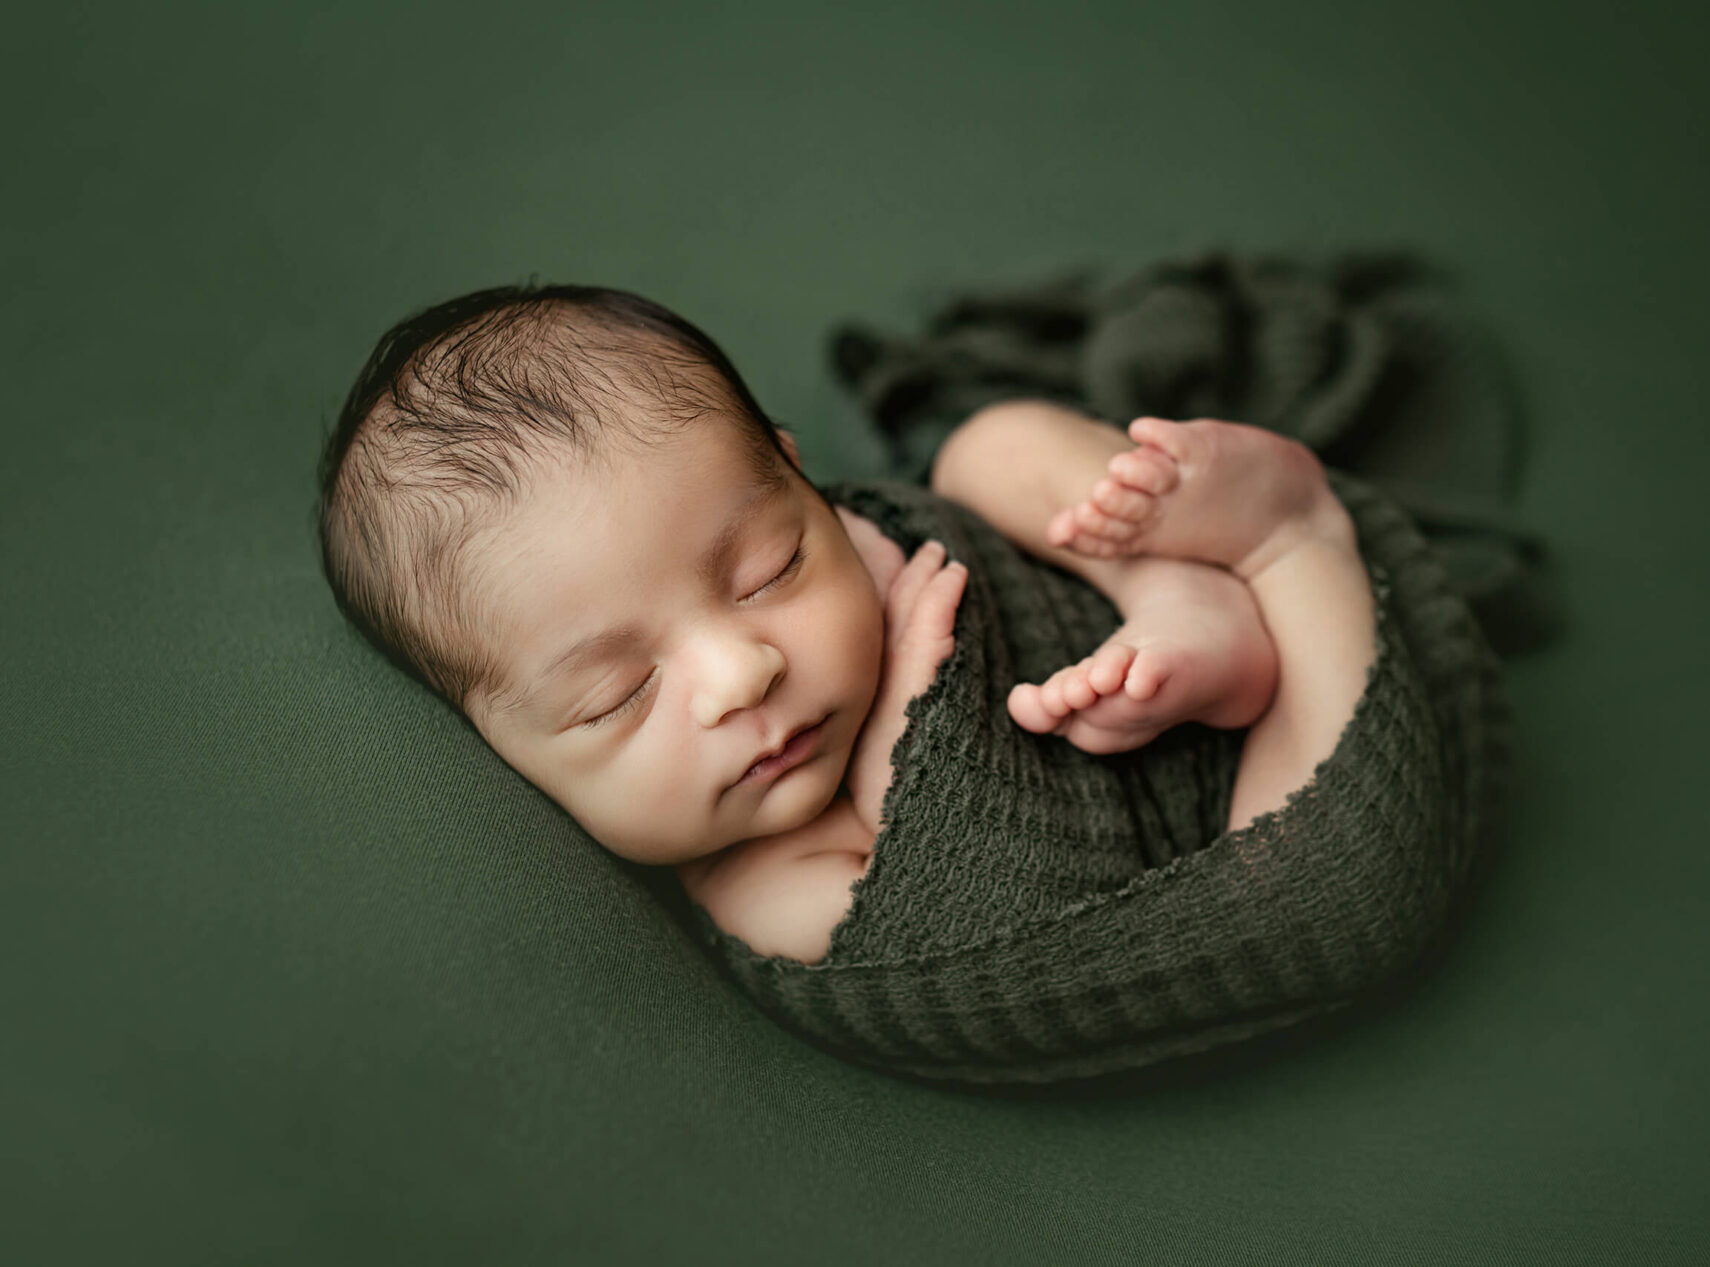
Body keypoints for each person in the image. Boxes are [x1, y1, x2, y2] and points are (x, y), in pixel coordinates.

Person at [317, 284, 1377, 964]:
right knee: (1321, 886)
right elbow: (1011, 934)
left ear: (797, 473)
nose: (741, 671)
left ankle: (1170, 581)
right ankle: (1292, 541)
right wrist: (911, 732)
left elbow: (932, 520)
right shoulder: (762, 891)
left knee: (984, 445)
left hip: (1103, 612)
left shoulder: (854, 537)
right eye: (617, 695)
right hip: (1219, 822)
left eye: (768, 566)